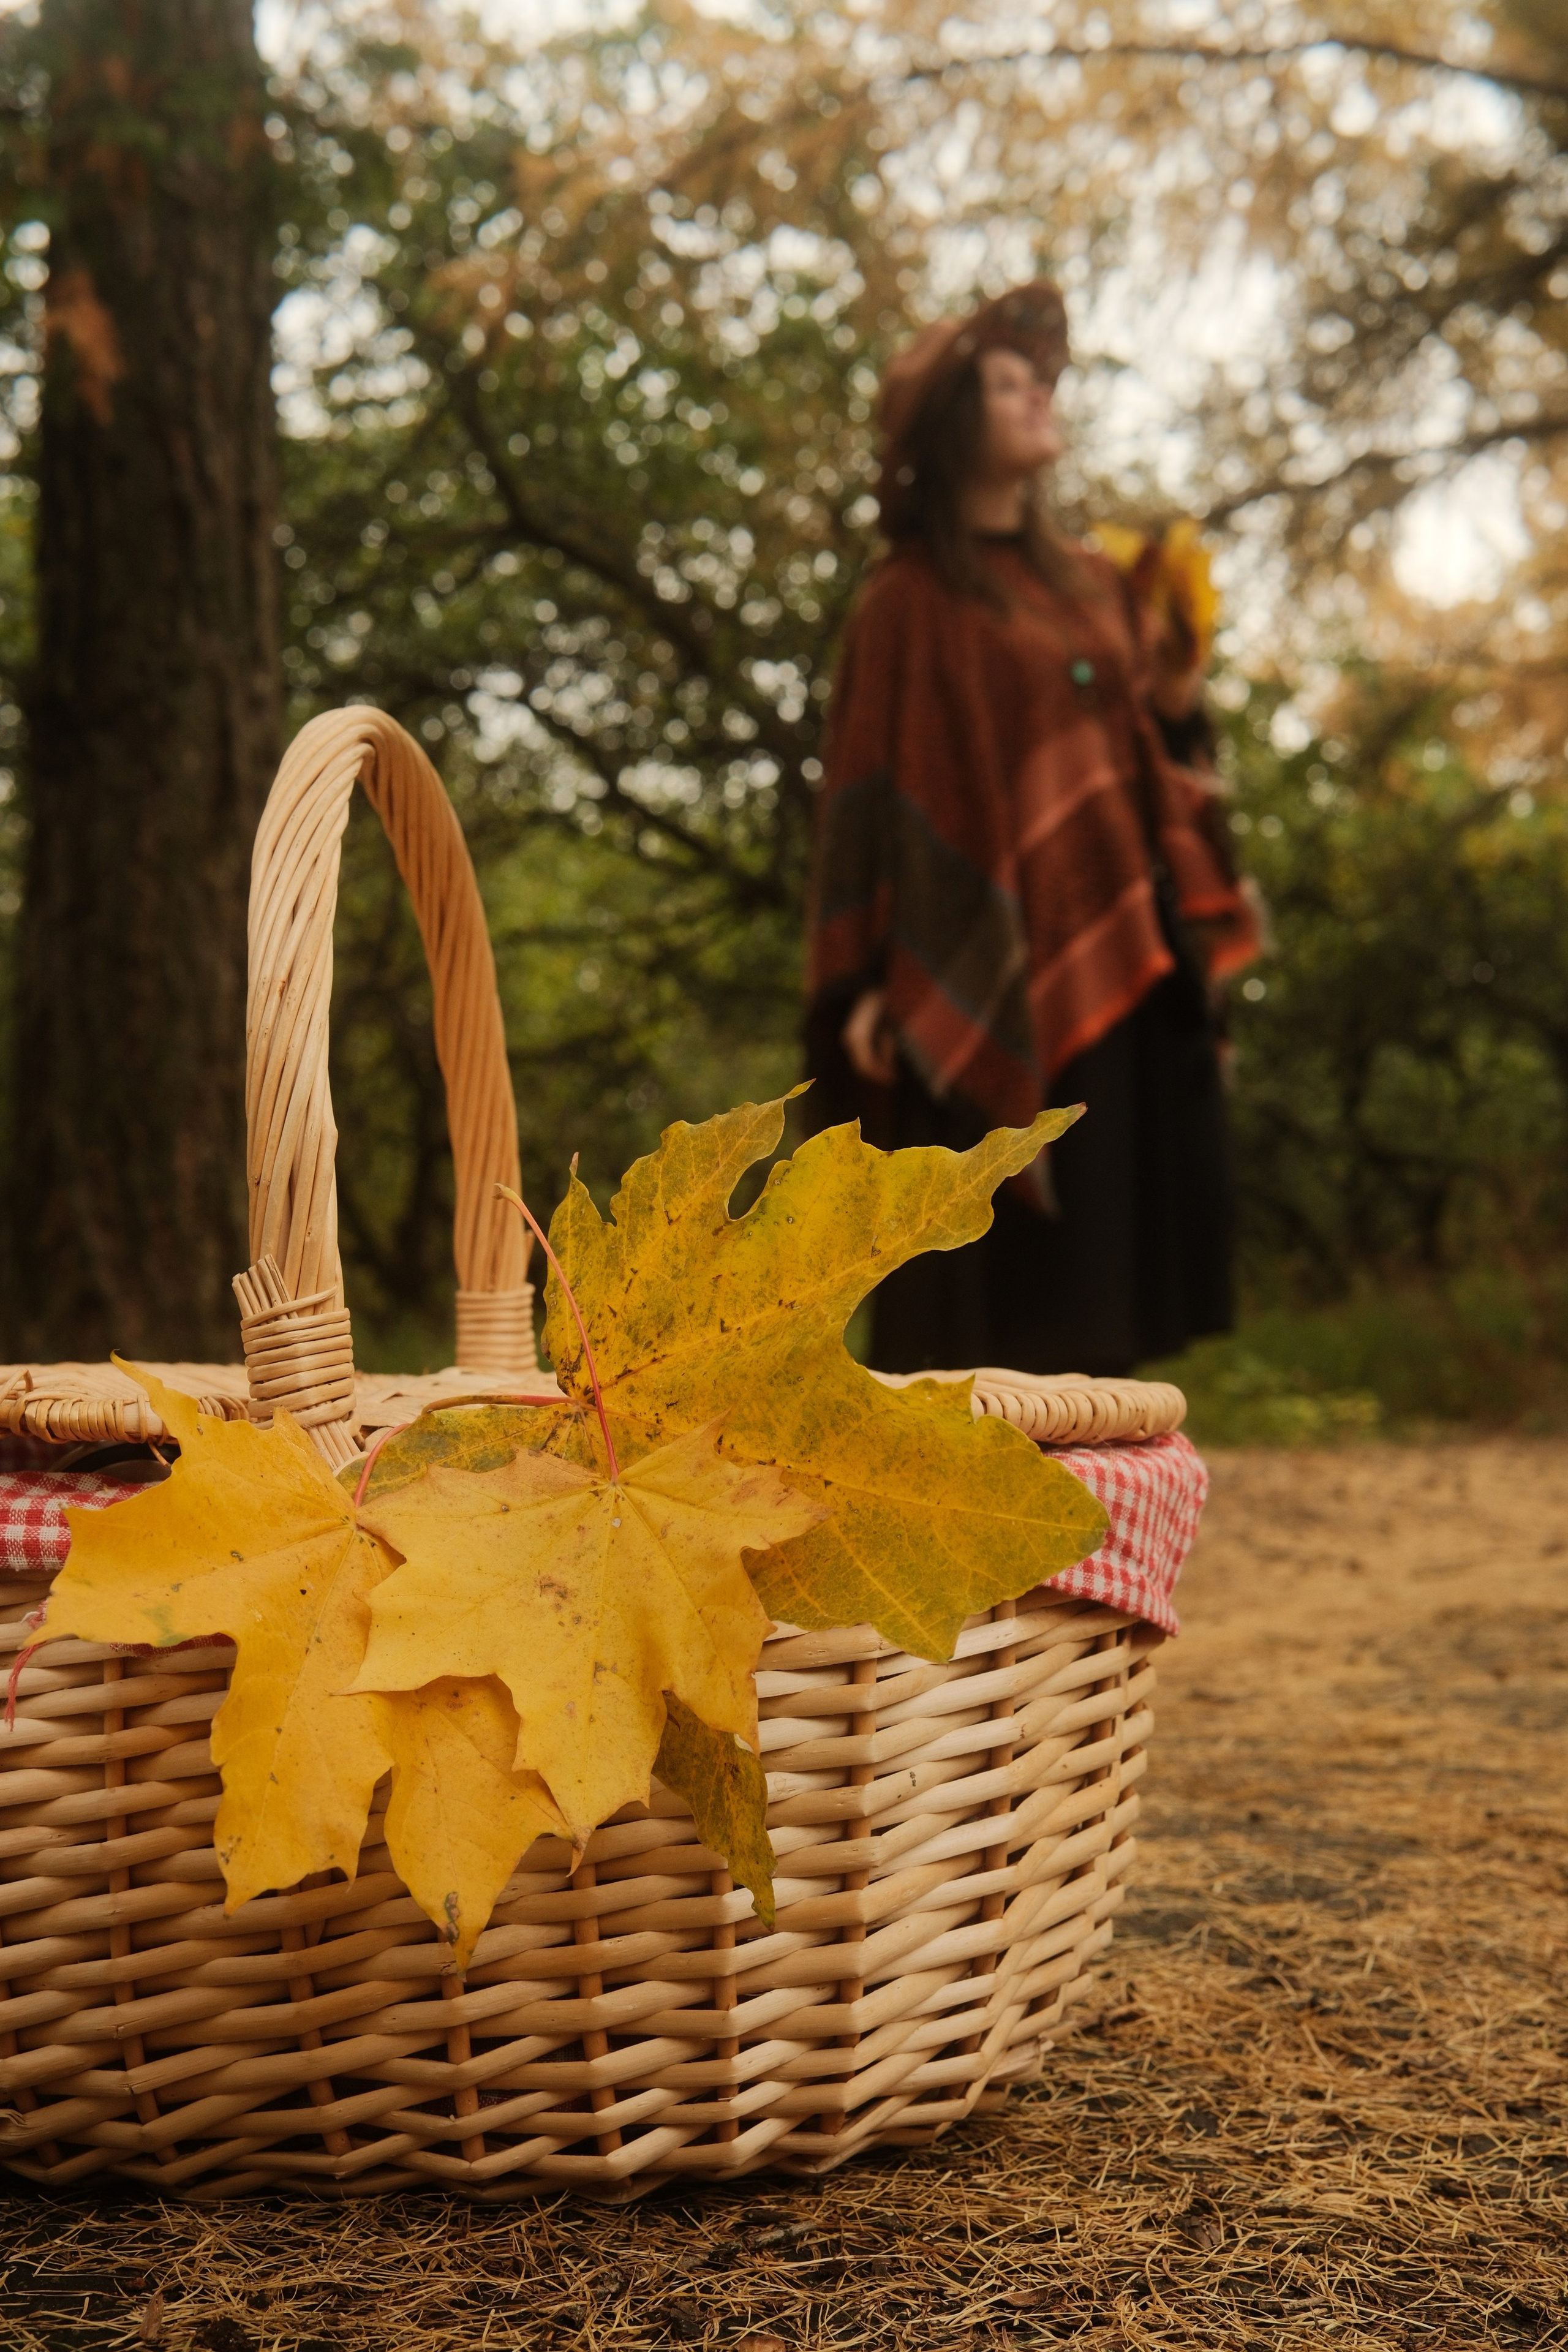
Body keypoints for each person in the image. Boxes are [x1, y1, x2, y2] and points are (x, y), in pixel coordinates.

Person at [803, 280, 1260, 1378]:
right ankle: (987, 1540)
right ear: (956, 424)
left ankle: (1096, 1545)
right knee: (992, 1312)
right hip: (977, 967)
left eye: (1040, 381)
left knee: (1104, 1290)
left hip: (1120, 960)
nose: (1038, 398)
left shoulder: (1094, 584)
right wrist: (866, 982)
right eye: (1008, 384)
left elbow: (1157, 755)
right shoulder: (905, 605)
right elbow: (868, 806)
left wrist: (1184, 696)